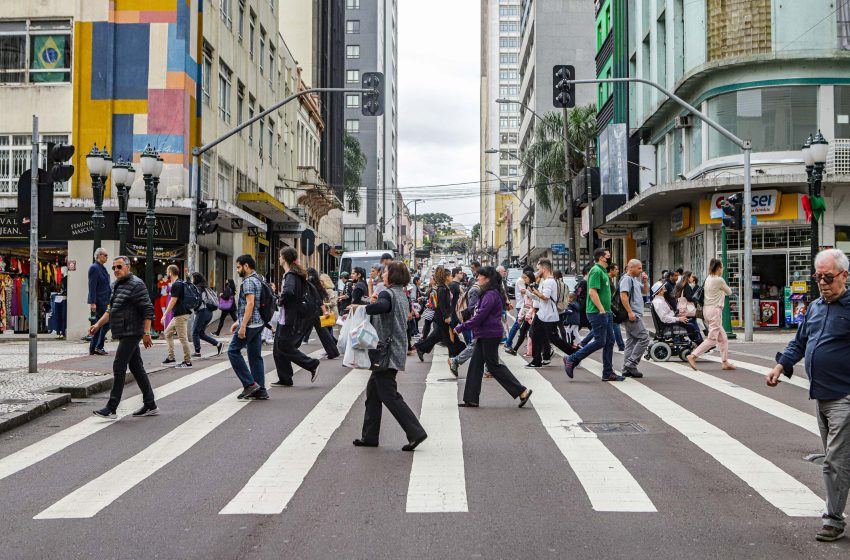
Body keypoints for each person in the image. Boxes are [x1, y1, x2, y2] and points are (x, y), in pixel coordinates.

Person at [766, 248, 850, 543]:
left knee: (835, 463)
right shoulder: (815, 307)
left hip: (845, 397)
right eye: (818, 277)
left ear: (844, 276)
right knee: (838, 459)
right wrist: (780, 365)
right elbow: (800, 341)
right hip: (822, 397)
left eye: (828, 276)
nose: (823, 282)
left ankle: (834, 520)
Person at [352, 261, 428, 451]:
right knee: (373, 393)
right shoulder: (402, 294)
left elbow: (383, 306)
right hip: (395, 347)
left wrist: (361, 308)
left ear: (392, 275)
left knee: (388, 394)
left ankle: (415, 431)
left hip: (385, 350)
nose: (382, 275)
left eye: (385, 272)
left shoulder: (388, 293)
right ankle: (370, 436)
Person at [89, 256, 158, 419]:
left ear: (128, 267)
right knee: (136, 368)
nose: (116, 270)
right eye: (113, 268)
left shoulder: (137, 284)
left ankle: (111, 407)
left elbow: (148, 309)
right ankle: (150, 404)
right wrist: (97, 325)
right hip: (123, 331)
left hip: (132, 331)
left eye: (119, 267)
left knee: (119, 366)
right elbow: (110, 310)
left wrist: (147, 333)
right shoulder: (116, 285)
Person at [455, 266, 532, 408]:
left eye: (480, 276)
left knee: (493, 366)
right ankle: (471, 399)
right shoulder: (489, 293)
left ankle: (522, 391)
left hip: (489, 334)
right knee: (475, 365)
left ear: (487, 278)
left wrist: (461, 327)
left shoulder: (491, 295)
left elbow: (480, 316)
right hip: (485, 333)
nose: (477, 278)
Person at [563, 249, 622, 381]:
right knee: (601, 341)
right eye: (608, 256)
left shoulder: (603, 272)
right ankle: (571, 359)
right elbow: (592, 292)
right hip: (597, 312)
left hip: (605, 312)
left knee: (610, 341)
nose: (609, 258)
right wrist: (601, 308)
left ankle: (608, 372)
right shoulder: (596, 271)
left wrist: (607, 309)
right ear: (601, 258)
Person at [271, 248, 321, 387]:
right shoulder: (293, 273)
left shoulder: (291, 275)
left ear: (285, 258)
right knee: (278, 348)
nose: (279, 259)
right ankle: (285, 378)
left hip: (289, 318)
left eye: (280, 256)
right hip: (286, 317)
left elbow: (288, 292)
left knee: (284, 347)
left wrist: (279, 301)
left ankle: (312, 364)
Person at [227, 254, 269, 400]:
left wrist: (243, 325)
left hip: (250, 324)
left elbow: (250, 304)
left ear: (246, 266)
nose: (237, 270)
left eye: (238, 267)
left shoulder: (249, 282)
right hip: (258, 322)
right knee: (254, 356)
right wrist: (238, 321)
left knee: (232, 351)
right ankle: (261, 390)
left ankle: (250, 384)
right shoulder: (259, 279)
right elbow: (254, 305)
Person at [687, 259, 734, 371]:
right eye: (722, 267)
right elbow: (729, 292)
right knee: (712, 339)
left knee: (723, 338)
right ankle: (693, 355)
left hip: (706, 310)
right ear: (718, 268)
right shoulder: (719, 280)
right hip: (714, 311)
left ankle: (725, 362)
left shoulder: (708, 278)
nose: (722, 269)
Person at [526, 259, 574, 368]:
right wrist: (533, 292)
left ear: (543, 269)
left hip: (548, 315)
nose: (537, 272)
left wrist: (535, 291)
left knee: (553, 338)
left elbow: (545, 297)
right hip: (543, 314)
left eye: (538, 269)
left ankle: (575, 354)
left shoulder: (548, 282)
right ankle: (537, 360)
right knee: (536, 334)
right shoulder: (548, 281)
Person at [415, 266, 465, 360]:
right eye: (450, 276)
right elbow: (441, 304)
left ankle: (421, 347)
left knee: (438, 335)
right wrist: (446, 316)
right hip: (442, 317)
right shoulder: (442, 289)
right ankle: (454, 355)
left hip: (442, 316)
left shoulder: (444, 288)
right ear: (446, 277)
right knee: (449, 336)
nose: (451, 278)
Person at [619, 259, 650, 378]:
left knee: (631, 341)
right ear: (630, 268)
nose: (641, 270)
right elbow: (623, 296)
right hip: (633, 314)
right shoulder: (626, 279)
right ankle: (631, 364)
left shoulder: (634, 280)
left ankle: (626, 368)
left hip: (636, 313)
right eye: (639, 268)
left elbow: (645, 291)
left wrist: (645, 281)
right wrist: (630, 312)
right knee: (644, 338)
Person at [449, 275, 482, 376]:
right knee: (476, 344)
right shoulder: (476, 290)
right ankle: (456, 360)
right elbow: (473, 309)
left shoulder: (485, 289)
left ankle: (489, 367)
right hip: (479, 323)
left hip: (481, 323)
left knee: (482, 346)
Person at [305, 267, 341, 359]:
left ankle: (333, 351)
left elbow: (318, 300)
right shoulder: (318, 285)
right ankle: (334, 349)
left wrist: (324, 311)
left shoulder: (311, 284)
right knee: (324, 332)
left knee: (323, 333)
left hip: (316, 311)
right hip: (318, 311)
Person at [161, 264, 193, 368]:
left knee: (183, 338)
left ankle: (187, 362)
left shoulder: (176, 284)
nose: (166, 273)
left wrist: (165, 314)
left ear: (170, 273)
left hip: (181, 314)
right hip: (178, 315)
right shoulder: (180, 283)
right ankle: (171, 357)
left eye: (167, 271)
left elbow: (173, 300)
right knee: (167, 333)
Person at [190, 272, 223, 357]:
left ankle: (197, 352)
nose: (191, 279)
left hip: (202, 312)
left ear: (196, 279)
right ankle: (218, 344)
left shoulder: (198, 288)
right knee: (200, 333)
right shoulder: (205, 287)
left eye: (192, 278)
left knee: (194, 332)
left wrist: (193, 308)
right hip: (209, 313)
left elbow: (198, 300)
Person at [505, 269, 536, 356]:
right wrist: (521, 315)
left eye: (525, 278)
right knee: (523, 331)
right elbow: (526, 302)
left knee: (532, 332)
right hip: (527, 312)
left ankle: (541, 351)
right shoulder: (528, 286)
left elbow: (536, 299)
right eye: (523, 277)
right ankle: (515, 349)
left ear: (530, 278)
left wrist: (527, 292)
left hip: (533, 313)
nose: (524, 279)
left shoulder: (533, 286)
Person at [87, 247, 111, 356]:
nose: (107, 257)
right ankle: (98, 346)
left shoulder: (102, 268)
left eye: (107, 255)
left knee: (99, 324)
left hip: (105, 300)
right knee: (105, 323)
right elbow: (92, 286)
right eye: (105, 255)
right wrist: (92, 302)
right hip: (100, 300)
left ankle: (93, 347)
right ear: (98, 256)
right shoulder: (94, 268)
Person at [674, 270, 703, 346]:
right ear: (688, 277)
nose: (692, 278)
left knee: (690, 327)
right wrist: (695, 299)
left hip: (681, 309)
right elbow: (689, 298)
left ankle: (700, 343)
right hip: (688, 310)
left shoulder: (680, 285)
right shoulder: (686, 286)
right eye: (692, 276)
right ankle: (701, 343)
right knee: (694, 328)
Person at [320, 273, 338, 340]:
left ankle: (333, 343)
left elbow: (333, 303)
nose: (320, 283)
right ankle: (333, 343)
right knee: (328, 331)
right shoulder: (323, 290)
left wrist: (323, 304)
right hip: (327, 313)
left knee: (328, 331)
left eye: (321, 281)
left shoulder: (329, 291)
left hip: (330, 313)